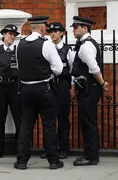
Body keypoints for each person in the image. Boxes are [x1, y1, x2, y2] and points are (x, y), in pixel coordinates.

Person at [14, 16, 64, 170]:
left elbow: (18, 66)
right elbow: (58, 68)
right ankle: (53, 161)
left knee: (26, 125)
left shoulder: (20, 44)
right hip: (43, 88)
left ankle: (22, 161)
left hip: (25, 89)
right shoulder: (46, 44)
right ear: (42, 29)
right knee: (48, 125)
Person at [70, 16, 109, 166]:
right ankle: (90, 153)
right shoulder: (83, 44)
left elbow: (93, 68)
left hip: (89, 89)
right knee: (87, 122)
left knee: (88, 123)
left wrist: (102, 82)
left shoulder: (86, 45)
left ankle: (91, 156)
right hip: (85, 88)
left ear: (84, 28)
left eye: (76, 27)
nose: (73, 30)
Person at [40, 22, 75, 159]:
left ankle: (64, 148)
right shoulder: (46, 47)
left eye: (56, 31)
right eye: (51, 32)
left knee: (63, 118)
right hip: (48, 85)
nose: (53, 34)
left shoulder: (68, 50)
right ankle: (49, 149)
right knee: (48, 118)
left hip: (62, 85)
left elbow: (72, 70)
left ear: (62, 33)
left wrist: (72, 88)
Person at [0, 24, 21, 159]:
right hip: (1, 89)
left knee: (19, 119)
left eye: (14, 35)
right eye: (9, 34)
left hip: (15, 88)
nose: (12, 37)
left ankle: (21, 148)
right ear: (3, 35)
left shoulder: (19, 52)